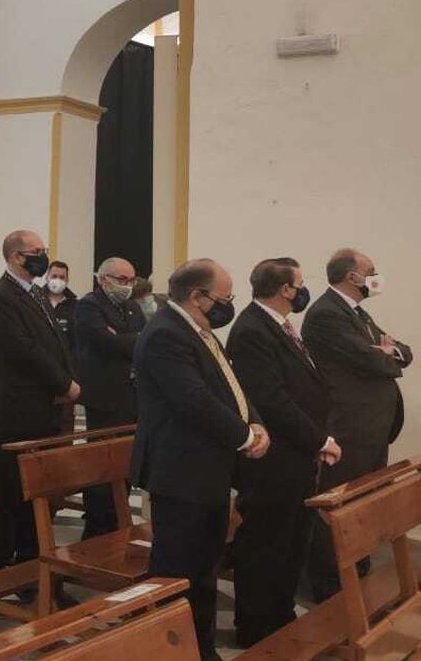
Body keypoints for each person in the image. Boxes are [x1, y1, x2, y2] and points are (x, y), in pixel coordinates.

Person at [131, 259, 268, 661]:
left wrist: (256, 423)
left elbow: (231, 386)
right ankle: (167, 649)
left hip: (206, 469)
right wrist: (244, 437)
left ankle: (200, 647)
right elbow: (193, 400)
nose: (228, 305)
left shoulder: (200, 331)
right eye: (224, 298)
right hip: (180, 472)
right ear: (197, 296)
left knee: (204, 570)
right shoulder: (165, 335)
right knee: (177, 572)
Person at [228, 257, 336, 647]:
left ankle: (280, 614)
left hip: (296, 456)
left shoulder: (280, 326)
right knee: (265, 543)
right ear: (285, 289)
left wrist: (315, 439)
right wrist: (319, 440)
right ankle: (256, 627)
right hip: (273, 458)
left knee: (292, 540)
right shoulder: (253, 330)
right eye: (299, 284)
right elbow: (272, 400)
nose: (303, 290)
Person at [303, 247, 411, 601]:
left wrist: (388, 351)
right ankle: (332, 588)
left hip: (372, 426)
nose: (376, 275)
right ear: (353, 276)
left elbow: (404, 351)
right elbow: (369, 361)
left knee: (364, 505)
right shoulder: (325, 314)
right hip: (349, 425)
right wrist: (381, 353)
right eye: (372, 270)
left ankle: (358, 572)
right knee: (340, 507)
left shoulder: (357, 313)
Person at [0, 230, 76, 576]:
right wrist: (63, 382)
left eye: (44, 250)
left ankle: (32, 560)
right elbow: (23, 350)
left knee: (37, 488)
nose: (43, 256)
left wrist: (67, 379)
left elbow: (55, 342)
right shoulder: (0, 296)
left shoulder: (34, 292)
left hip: (44, 406)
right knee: (9, 487)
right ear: (15, 257)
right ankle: (2, 562)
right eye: (36, 251)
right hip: (17, 407)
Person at [71, 256, 145, 538]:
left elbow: (143, 338)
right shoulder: (89, 305)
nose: (127, 286)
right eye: (121, 280)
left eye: (131, 280)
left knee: (124, 466)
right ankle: (97, 529)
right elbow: (106, 342)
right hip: (104, 399)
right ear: (103, 279)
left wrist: (126, 338)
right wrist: (131, 338)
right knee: (101, 467)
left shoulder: (131, 307)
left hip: (131, 398)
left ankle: (118, 523)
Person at [42, 260, 76, 341]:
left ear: (67, 280)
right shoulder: (35, 300)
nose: (58, 280)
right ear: (47, 278)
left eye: (62, 277)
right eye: (54, 276)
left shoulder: (76, 305)